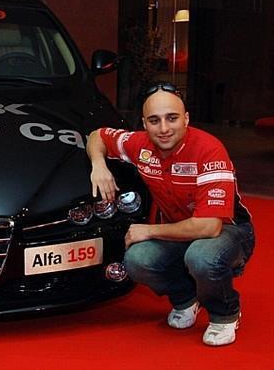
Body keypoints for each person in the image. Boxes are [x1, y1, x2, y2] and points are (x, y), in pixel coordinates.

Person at [86, 82, 255, 346]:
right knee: (137, 259)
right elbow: (97, 135)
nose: (163, 129)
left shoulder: (210, 149)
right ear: (144, 123)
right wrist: (98, 165)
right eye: (154, 120)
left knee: (201, 256)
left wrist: (150, 230)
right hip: (179, 230)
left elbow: (209, 227)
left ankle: (225, 314)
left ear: (186, 119)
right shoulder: (139, 144)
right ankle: (186, 298)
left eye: (172, 118)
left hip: (229, 230)